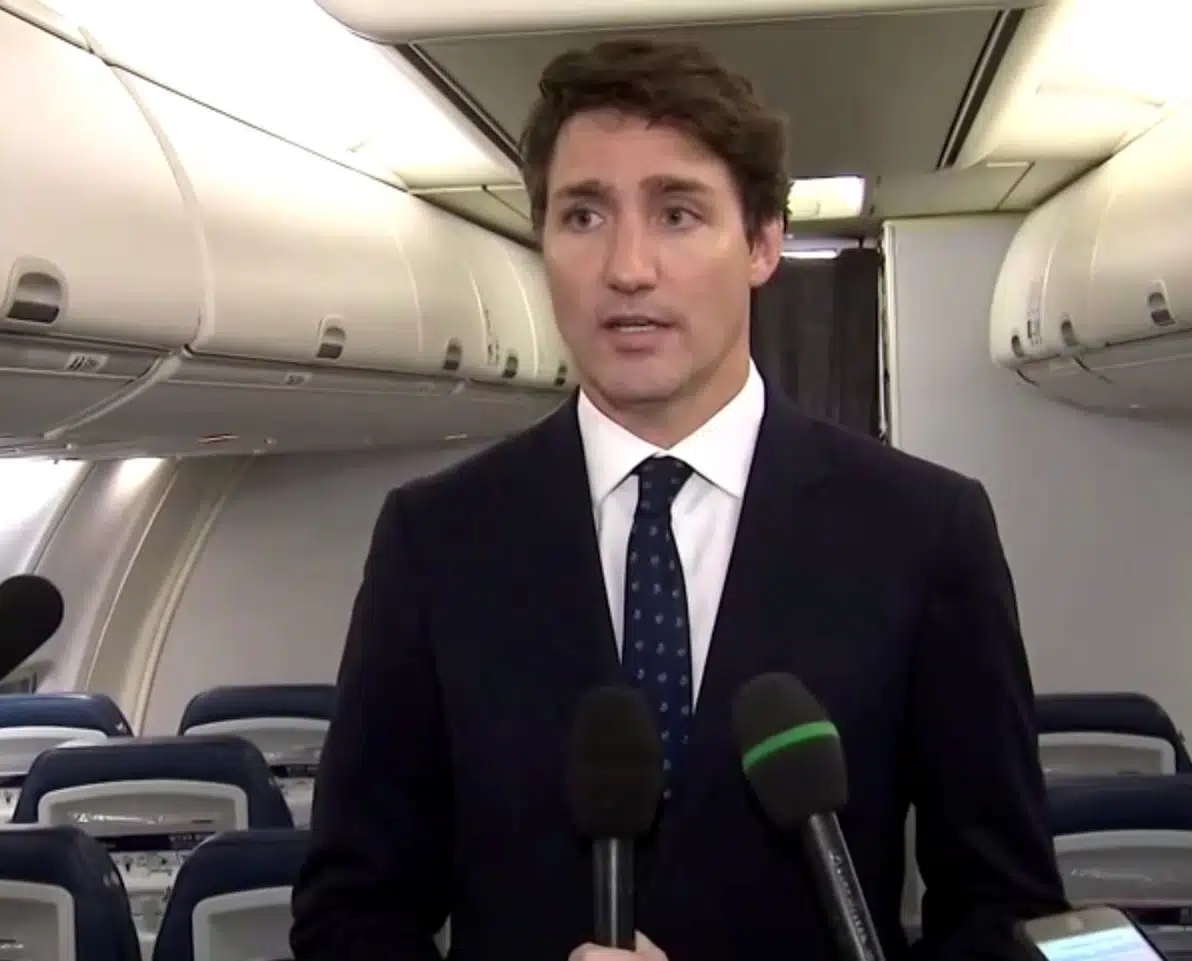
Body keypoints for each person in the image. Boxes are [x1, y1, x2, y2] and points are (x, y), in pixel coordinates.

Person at [289, 36, 1067, 961]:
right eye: (584, 215)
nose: (628, 267)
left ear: (764, 243)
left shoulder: (923, 533)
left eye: (678, 214)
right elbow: (351, 912)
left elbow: (1001, 912)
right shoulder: (436, 540)